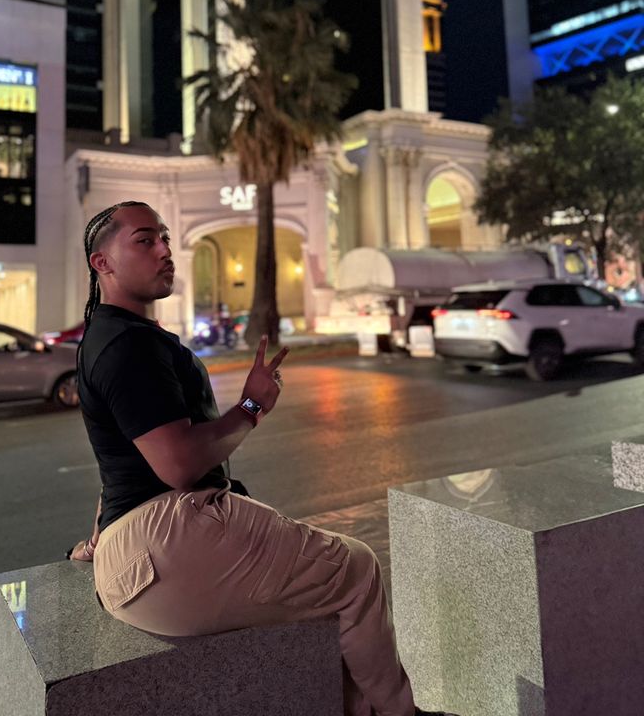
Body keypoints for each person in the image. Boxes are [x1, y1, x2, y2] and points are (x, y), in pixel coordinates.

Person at [69, 200, 456, 716]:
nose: (164, 250)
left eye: (164, 237)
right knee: (356, 569)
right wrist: (251, 408)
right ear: (102, 263)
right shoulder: (128, 345)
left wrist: (100, 538)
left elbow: (117, 455)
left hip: (132, 563)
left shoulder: (104, 337)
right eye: (145, 240)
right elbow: (179, 465)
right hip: (169, 548)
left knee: (314, 586)